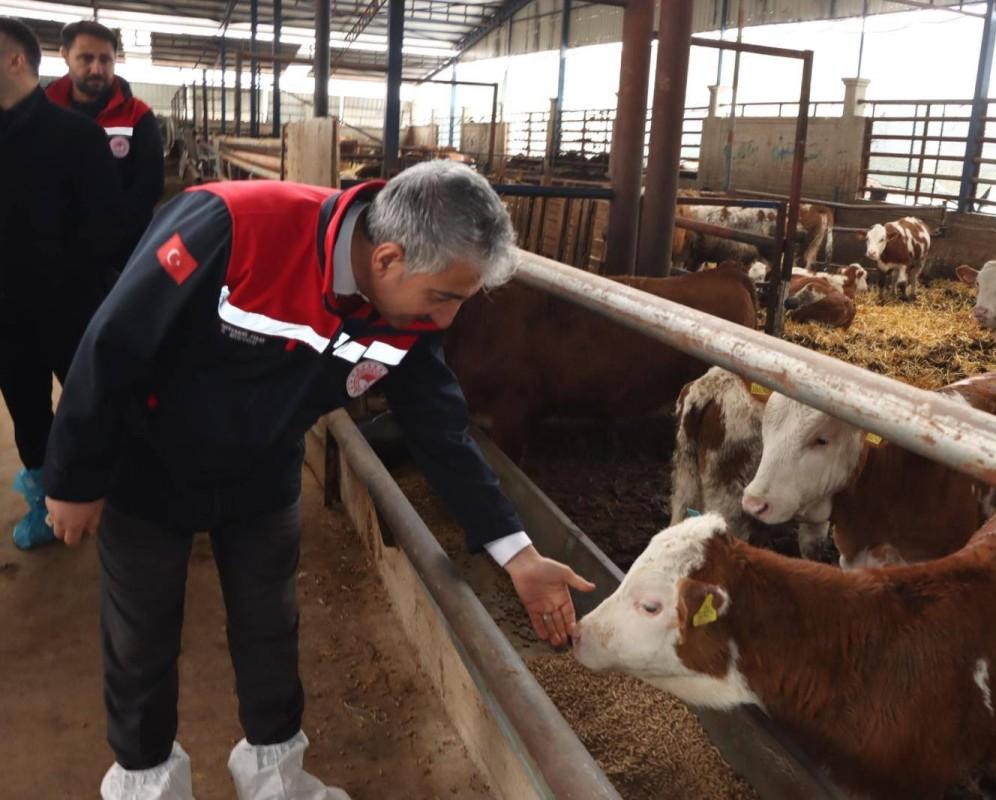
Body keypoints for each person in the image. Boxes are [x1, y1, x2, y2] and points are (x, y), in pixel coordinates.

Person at [43, 161, 596, 799]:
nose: (445, 320)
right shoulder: (232, 225)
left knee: (270, 626)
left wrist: (517, 554)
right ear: (387, 258)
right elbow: (113, 342)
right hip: (152, 466)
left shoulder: (408, 318)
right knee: (140, 637)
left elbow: (442, 432)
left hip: (262, 473)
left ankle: (276, 779)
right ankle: (147, 785)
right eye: (444, 297)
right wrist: (74, 477)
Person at [0, 17, 123, 550]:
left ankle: (118, 500)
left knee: (97, 404)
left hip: (72, 307)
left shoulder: (76, 136)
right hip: (6, 314)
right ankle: (45, 505)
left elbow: (107, 228)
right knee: (28, 413)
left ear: (14, 59)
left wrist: (81, 289)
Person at [47, 19, 164, 281]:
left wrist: (110, 238)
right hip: (56, 249)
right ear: (65, 55)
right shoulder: (44, 111)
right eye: (86, 58)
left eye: (106, 60)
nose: (97, 69)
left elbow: (149, 186)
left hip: (123, 252)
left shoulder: (138, 115)